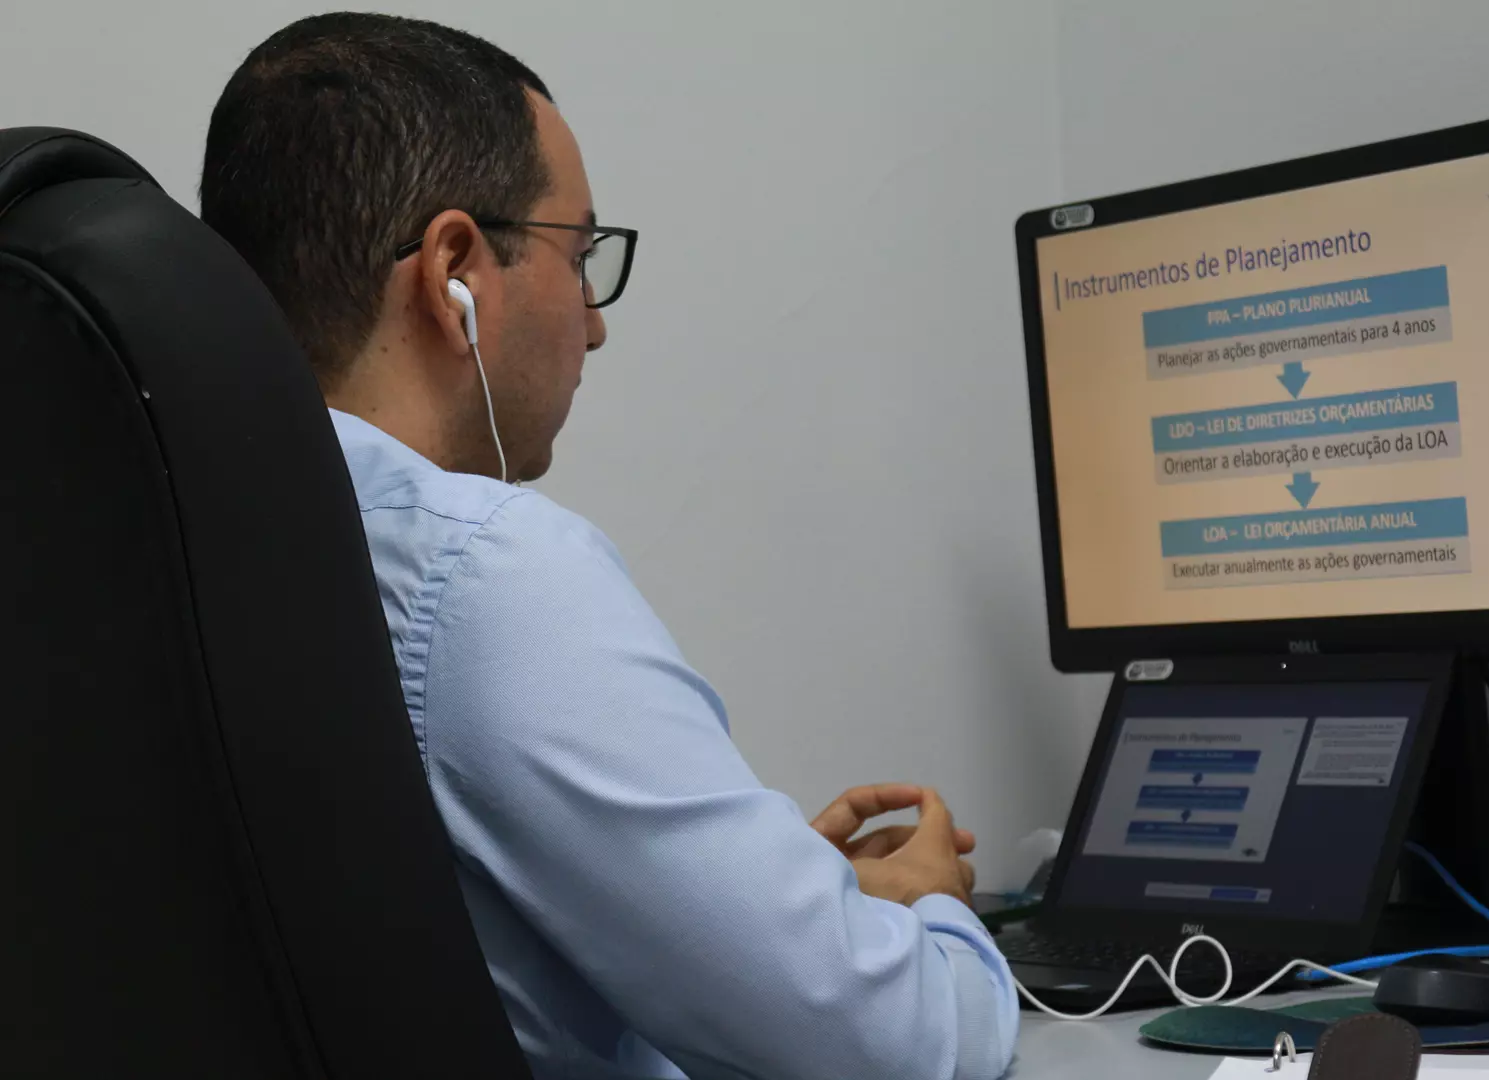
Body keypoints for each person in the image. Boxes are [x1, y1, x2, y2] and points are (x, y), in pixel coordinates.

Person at [199, 13, 1018, 1080]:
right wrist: (936, 916)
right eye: (579, 257)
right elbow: (895, 1050)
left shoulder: (195, 546)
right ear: (455, 272)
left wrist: (787, 912)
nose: (594, 324)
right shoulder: (480, 571)